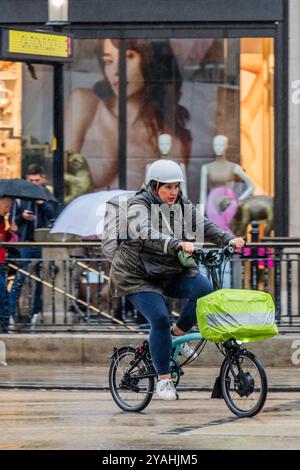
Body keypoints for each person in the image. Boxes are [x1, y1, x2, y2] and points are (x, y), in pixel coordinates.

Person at [109, 159, 244, 400]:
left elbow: (202, 224)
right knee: (159, 318)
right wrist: (175, 243)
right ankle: (163, 380)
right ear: (154, 186)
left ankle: (178, 335)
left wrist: (227, 239)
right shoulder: (138, 206)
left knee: (204, 290)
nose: (173, 192)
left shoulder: (182, 204)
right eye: (167, 187)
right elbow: (146, 232)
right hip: (137, 276)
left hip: (168, 271)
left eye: (176, 187)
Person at [65, 39, 191, 191]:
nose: (116, 71)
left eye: (128, 57)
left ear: (151, 60)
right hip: (86, 214)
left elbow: (173, 198)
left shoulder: (171, 139)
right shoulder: (86, 104)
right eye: (108, 61)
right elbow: (62, 178)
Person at [9, 164, 56, 322]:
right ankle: (10, 314)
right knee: (19, 279)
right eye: (30, 180)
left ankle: (36, 313)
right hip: (25, 243)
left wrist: (42, 204)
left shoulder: (48, 196)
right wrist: (23, 217)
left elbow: (54, 217)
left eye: (37, 180)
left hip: (44, 244)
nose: (33, 183)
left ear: (43, 179)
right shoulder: (19, 197)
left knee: (43, 281)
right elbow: (12, 222)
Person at [0, 197, 18, 333]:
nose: (8, 210)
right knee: (2, 293)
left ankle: (4, 325)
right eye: (6, 207)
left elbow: (4, 239)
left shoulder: (2, 220)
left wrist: (11, 231)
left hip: (2, 261)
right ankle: (3, 325)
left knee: (3, 293)